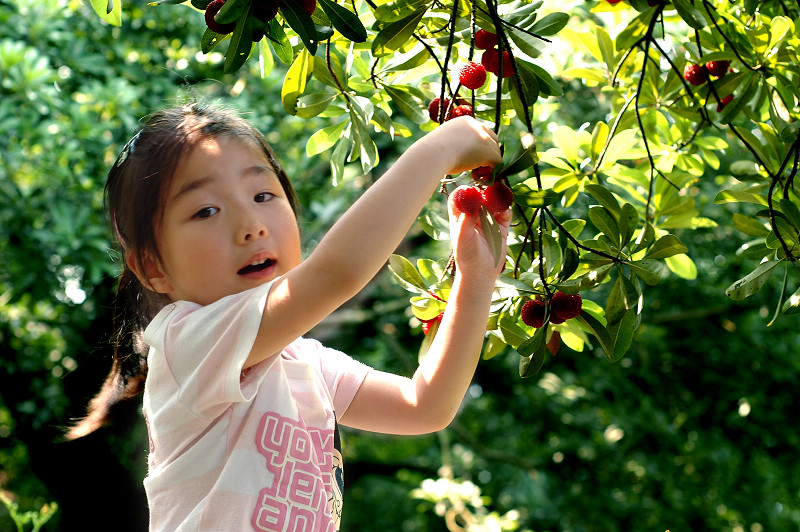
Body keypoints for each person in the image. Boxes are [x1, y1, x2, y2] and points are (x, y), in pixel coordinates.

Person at [67, 102, 509, 531]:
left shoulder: (303, 361)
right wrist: (440, 149)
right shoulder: (187, 342)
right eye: (206, 211)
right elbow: (335, 273)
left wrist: (477, 276)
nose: (251, 224)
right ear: (152, 267)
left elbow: (424, 406)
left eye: (263, 195)